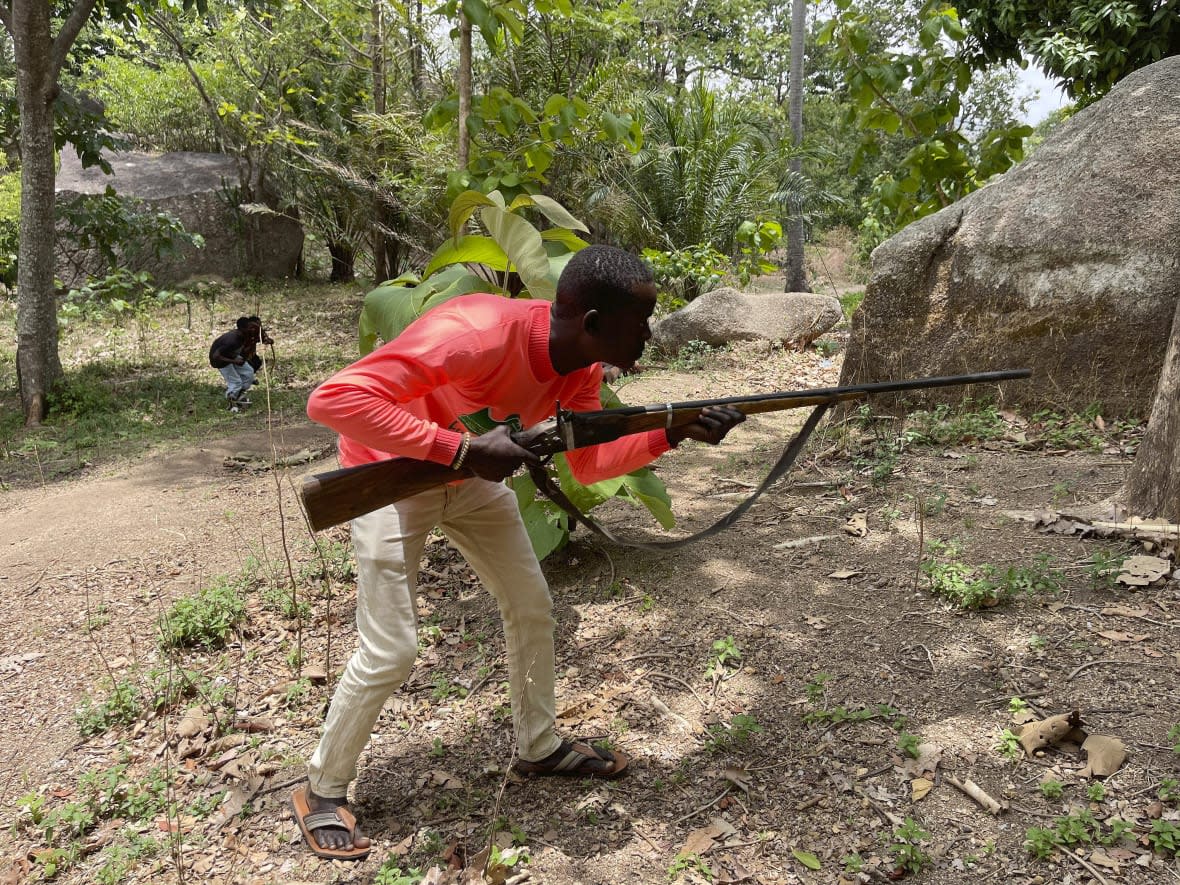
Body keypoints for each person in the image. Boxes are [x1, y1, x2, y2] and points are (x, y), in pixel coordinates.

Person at [291, 245, 745, 860]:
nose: (648, 334)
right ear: (591, 324)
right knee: (392, 648)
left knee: (532, 609)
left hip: (466, 475)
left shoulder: (580, 368)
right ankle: (322, 790)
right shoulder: (476, 332)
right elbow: (334, 401)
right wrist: (459, 452)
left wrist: (668, 433)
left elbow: (587, 466)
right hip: (388, 478)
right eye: (638, 322)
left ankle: (539, 745)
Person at [208, 316, 272, 410]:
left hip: (232, 356)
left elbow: (259, 338)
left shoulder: (246, 334)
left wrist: (266, 340)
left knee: (249, 373)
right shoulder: (232, 340)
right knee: (236, 382)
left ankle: (238, 395)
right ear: (243, 329)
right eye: (251, 327)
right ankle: (232, 403)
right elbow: (216, 355)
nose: (253, 329)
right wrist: (234, 361)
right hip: (221, 361)